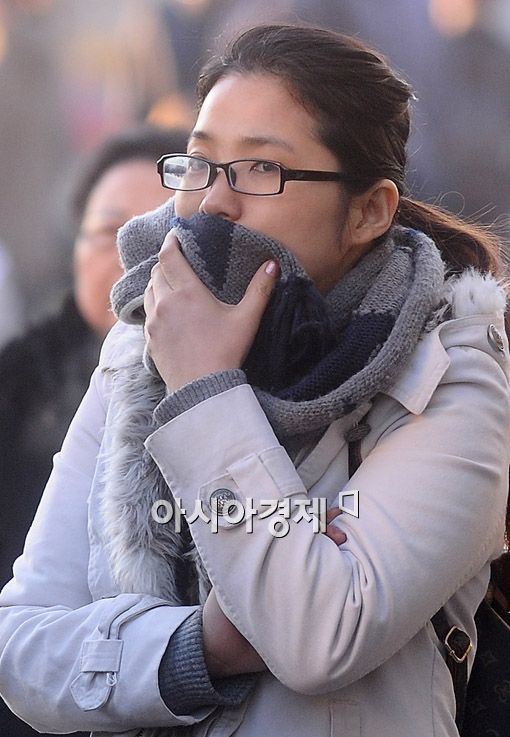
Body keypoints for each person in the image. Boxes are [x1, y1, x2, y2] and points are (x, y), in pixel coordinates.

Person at [0, 24, 509, 737]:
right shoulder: (143, 341)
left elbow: (319, 636)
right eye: (201, 164)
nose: (214, 203)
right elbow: (19, 640)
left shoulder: (449, 372)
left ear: (369, 211)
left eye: (261, 171)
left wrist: (205, 388)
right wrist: (187, 652)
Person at [0, 124, 186, 737]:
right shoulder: (14, 388)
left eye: (164, 222)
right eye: (110, 230)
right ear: (74, 247)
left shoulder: (230, 382)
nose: (139, 247)